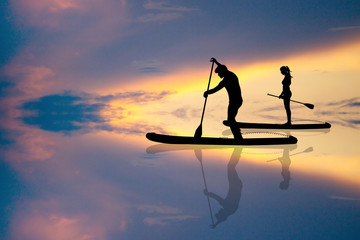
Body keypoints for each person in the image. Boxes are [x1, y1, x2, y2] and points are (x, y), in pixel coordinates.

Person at [204, 58, 243, 140]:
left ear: (222, 72)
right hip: (236, 101)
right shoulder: (231, 75)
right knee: (231, 119)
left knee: (231, 119)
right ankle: (238, 136)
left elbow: (216, 89)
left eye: (219, 73)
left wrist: (207, 92)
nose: (218, 75)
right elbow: (223, 67)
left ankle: (238, 138)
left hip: (235, 102)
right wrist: (215, 62)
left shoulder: (227, 79)